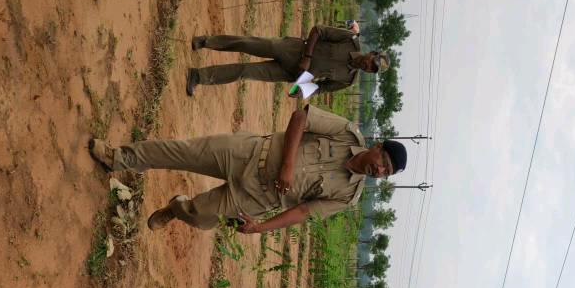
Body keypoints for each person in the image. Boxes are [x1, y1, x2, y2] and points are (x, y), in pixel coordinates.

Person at [88, 104, 407, 234]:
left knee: (201, 217)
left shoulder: (349, 195)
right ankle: (118, 158)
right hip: (251, 153)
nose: (380, 171)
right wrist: (287, 165)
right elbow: (301, 117)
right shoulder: (347, 133)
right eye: (384, 163)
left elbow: (304, 212)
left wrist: (260, 228)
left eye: (386, 173)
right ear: (377, 147)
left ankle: (176, 209)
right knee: (182, 152)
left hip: (258, 197)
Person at [184, 24, 388, 96]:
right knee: (247, 43)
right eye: (372, 62)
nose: (369, 66)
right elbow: (318, 30)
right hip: (291, 49)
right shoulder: (350, 41)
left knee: (245, 72)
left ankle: (198, 76)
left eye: (372, 69)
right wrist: (307, 57)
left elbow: (321, 88)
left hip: (291, 74)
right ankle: (206, 41)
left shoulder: (348, 80)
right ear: (372, 53)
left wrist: (302, 90)